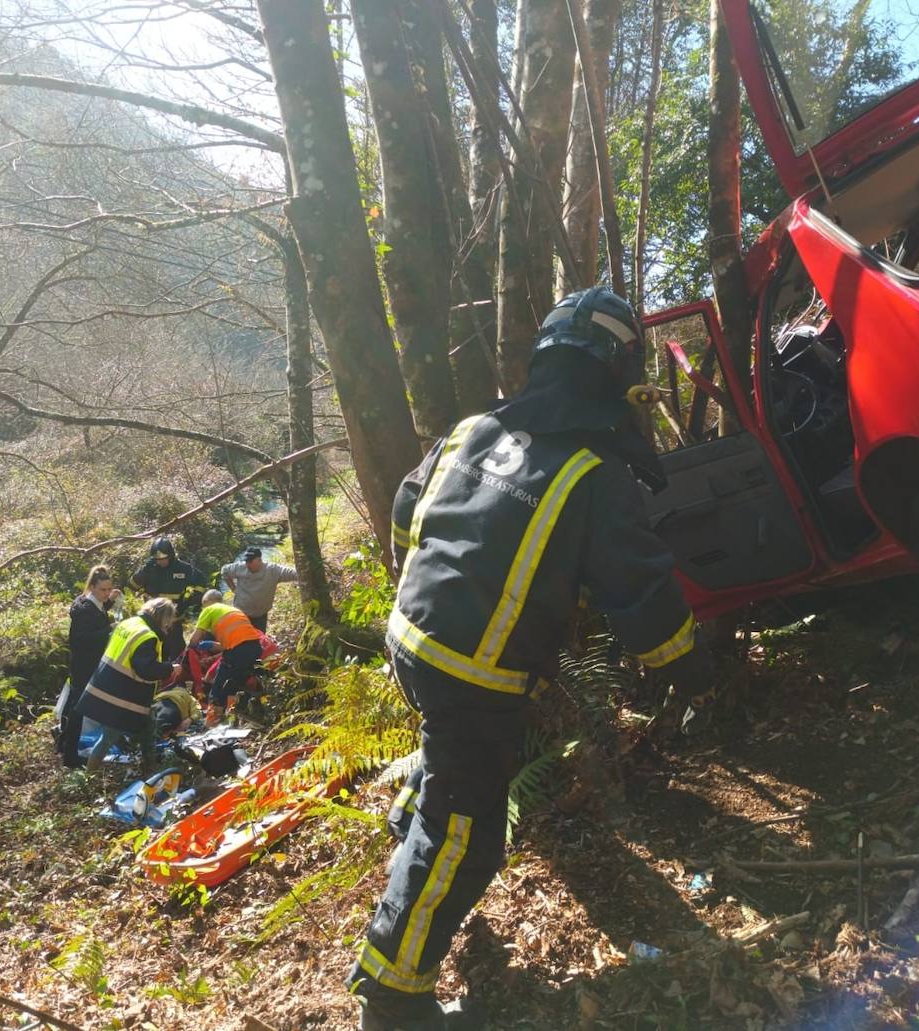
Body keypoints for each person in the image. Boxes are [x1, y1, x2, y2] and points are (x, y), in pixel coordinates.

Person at [347, 288, 716, 1030]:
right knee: (469, 831)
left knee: (445, 751)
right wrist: (689, 669)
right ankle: (392, 993)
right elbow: (639, 594)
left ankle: (416, 805)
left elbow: (403, 508)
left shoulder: (475, 427)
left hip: (410, 637)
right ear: (615, 370)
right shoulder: (594, 471)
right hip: (472, 671)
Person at [76, 597, 180, 774]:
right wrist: (170, 668)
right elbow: (146, 669)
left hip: (107, 686)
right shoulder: (148, 636)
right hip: (121, 698)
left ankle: (150, 769)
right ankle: (89, 776)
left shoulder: (130, 623)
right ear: (163, 618)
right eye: (168, 621)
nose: (169, 626)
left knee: (148, 727)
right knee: (108, 738)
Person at [59, 565, 121, 768]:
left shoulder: (96, 603)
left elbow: (99, 612)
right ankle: (69, 756)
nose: (106, 593)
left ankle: (66, 745)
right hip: (83, 666)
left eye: (108, 589)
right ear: (92, 587)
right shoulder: (84, 609)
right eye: (103, 590)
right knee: (78, 711)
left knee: (77, 708)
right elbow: (80, 638)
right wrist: (108, 629)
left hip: (92, 664)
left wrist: (110, 599)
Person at [188, 589, 265, 725]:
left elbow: (194, 639)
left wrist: (192, 647)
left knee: (218, 689)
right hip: (255, 648)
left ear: (207, 602)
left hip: (238, 651)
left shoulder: (209, 609)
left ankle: (211, 724)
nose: (202, 608)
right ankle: (232, 720)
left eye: (202, 605)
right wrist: (212, 645)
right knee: (234, 685)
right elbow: (233, 643)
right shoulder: (233, 610)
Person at [131, 537, 208, 657]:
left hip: (174, 621)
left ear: (171, 556)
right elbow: (132, 586)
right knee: (152, 653)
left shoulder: (183, 568)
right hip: (152, 621)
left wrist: (188, 602)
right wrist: (143, 573)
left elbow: (202, 582)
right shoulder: (149, 569)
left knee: (176, 653)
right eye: (157, 559)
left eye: (164, 559)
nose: (160, 562)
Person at [219, 546, 298, 633]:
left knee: (259, 641)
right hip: (240, 614)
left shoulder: (272, 570)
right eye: (246, 561)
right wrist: (233, 589)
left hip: (260, 615)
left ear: (259, 560)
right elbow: (224, 571)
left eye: (250, 561)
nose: (248, 564)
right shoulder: (240, 567)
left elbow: (294, 573)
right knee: (240, 640)